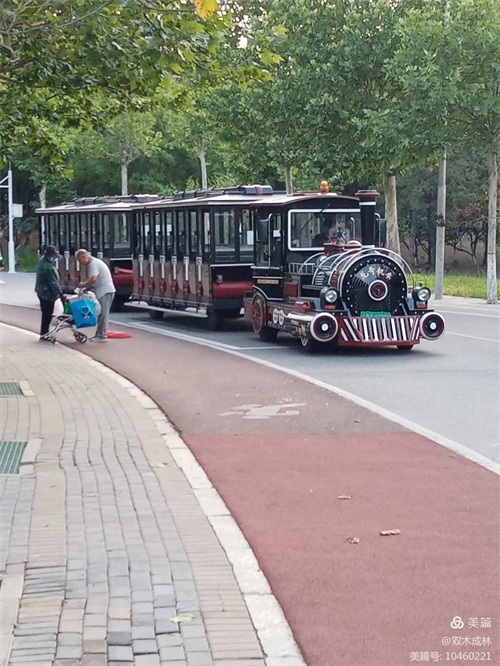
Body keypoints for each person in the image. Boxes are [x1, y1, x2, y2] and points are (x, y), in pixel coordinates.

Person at [75, 249, 115, 342]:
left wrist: (84, 285)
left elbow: (93, 279)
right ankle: (99, 334)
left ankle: (101, 336)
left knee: (103, 314)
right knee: (101, 313)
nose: (80, 263)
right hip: (103, 290)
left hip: (105, 290)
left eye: (80, 260)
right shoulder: (93, 263)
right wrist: (87, 287)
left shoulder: (93, 264)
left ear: (84, 257)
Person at [35, 245, 65, 340]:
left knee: (45, 314)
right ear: (49, 255)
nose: (55, 259)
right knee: (47, 314)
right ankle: (45, 334)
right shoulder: (48, 267)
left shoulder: (42, 262)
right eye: (54, 256)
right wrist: (60, 294)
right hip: (47, 294)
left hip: (41, 292)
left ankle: (44, 333)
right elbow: (53, 283)